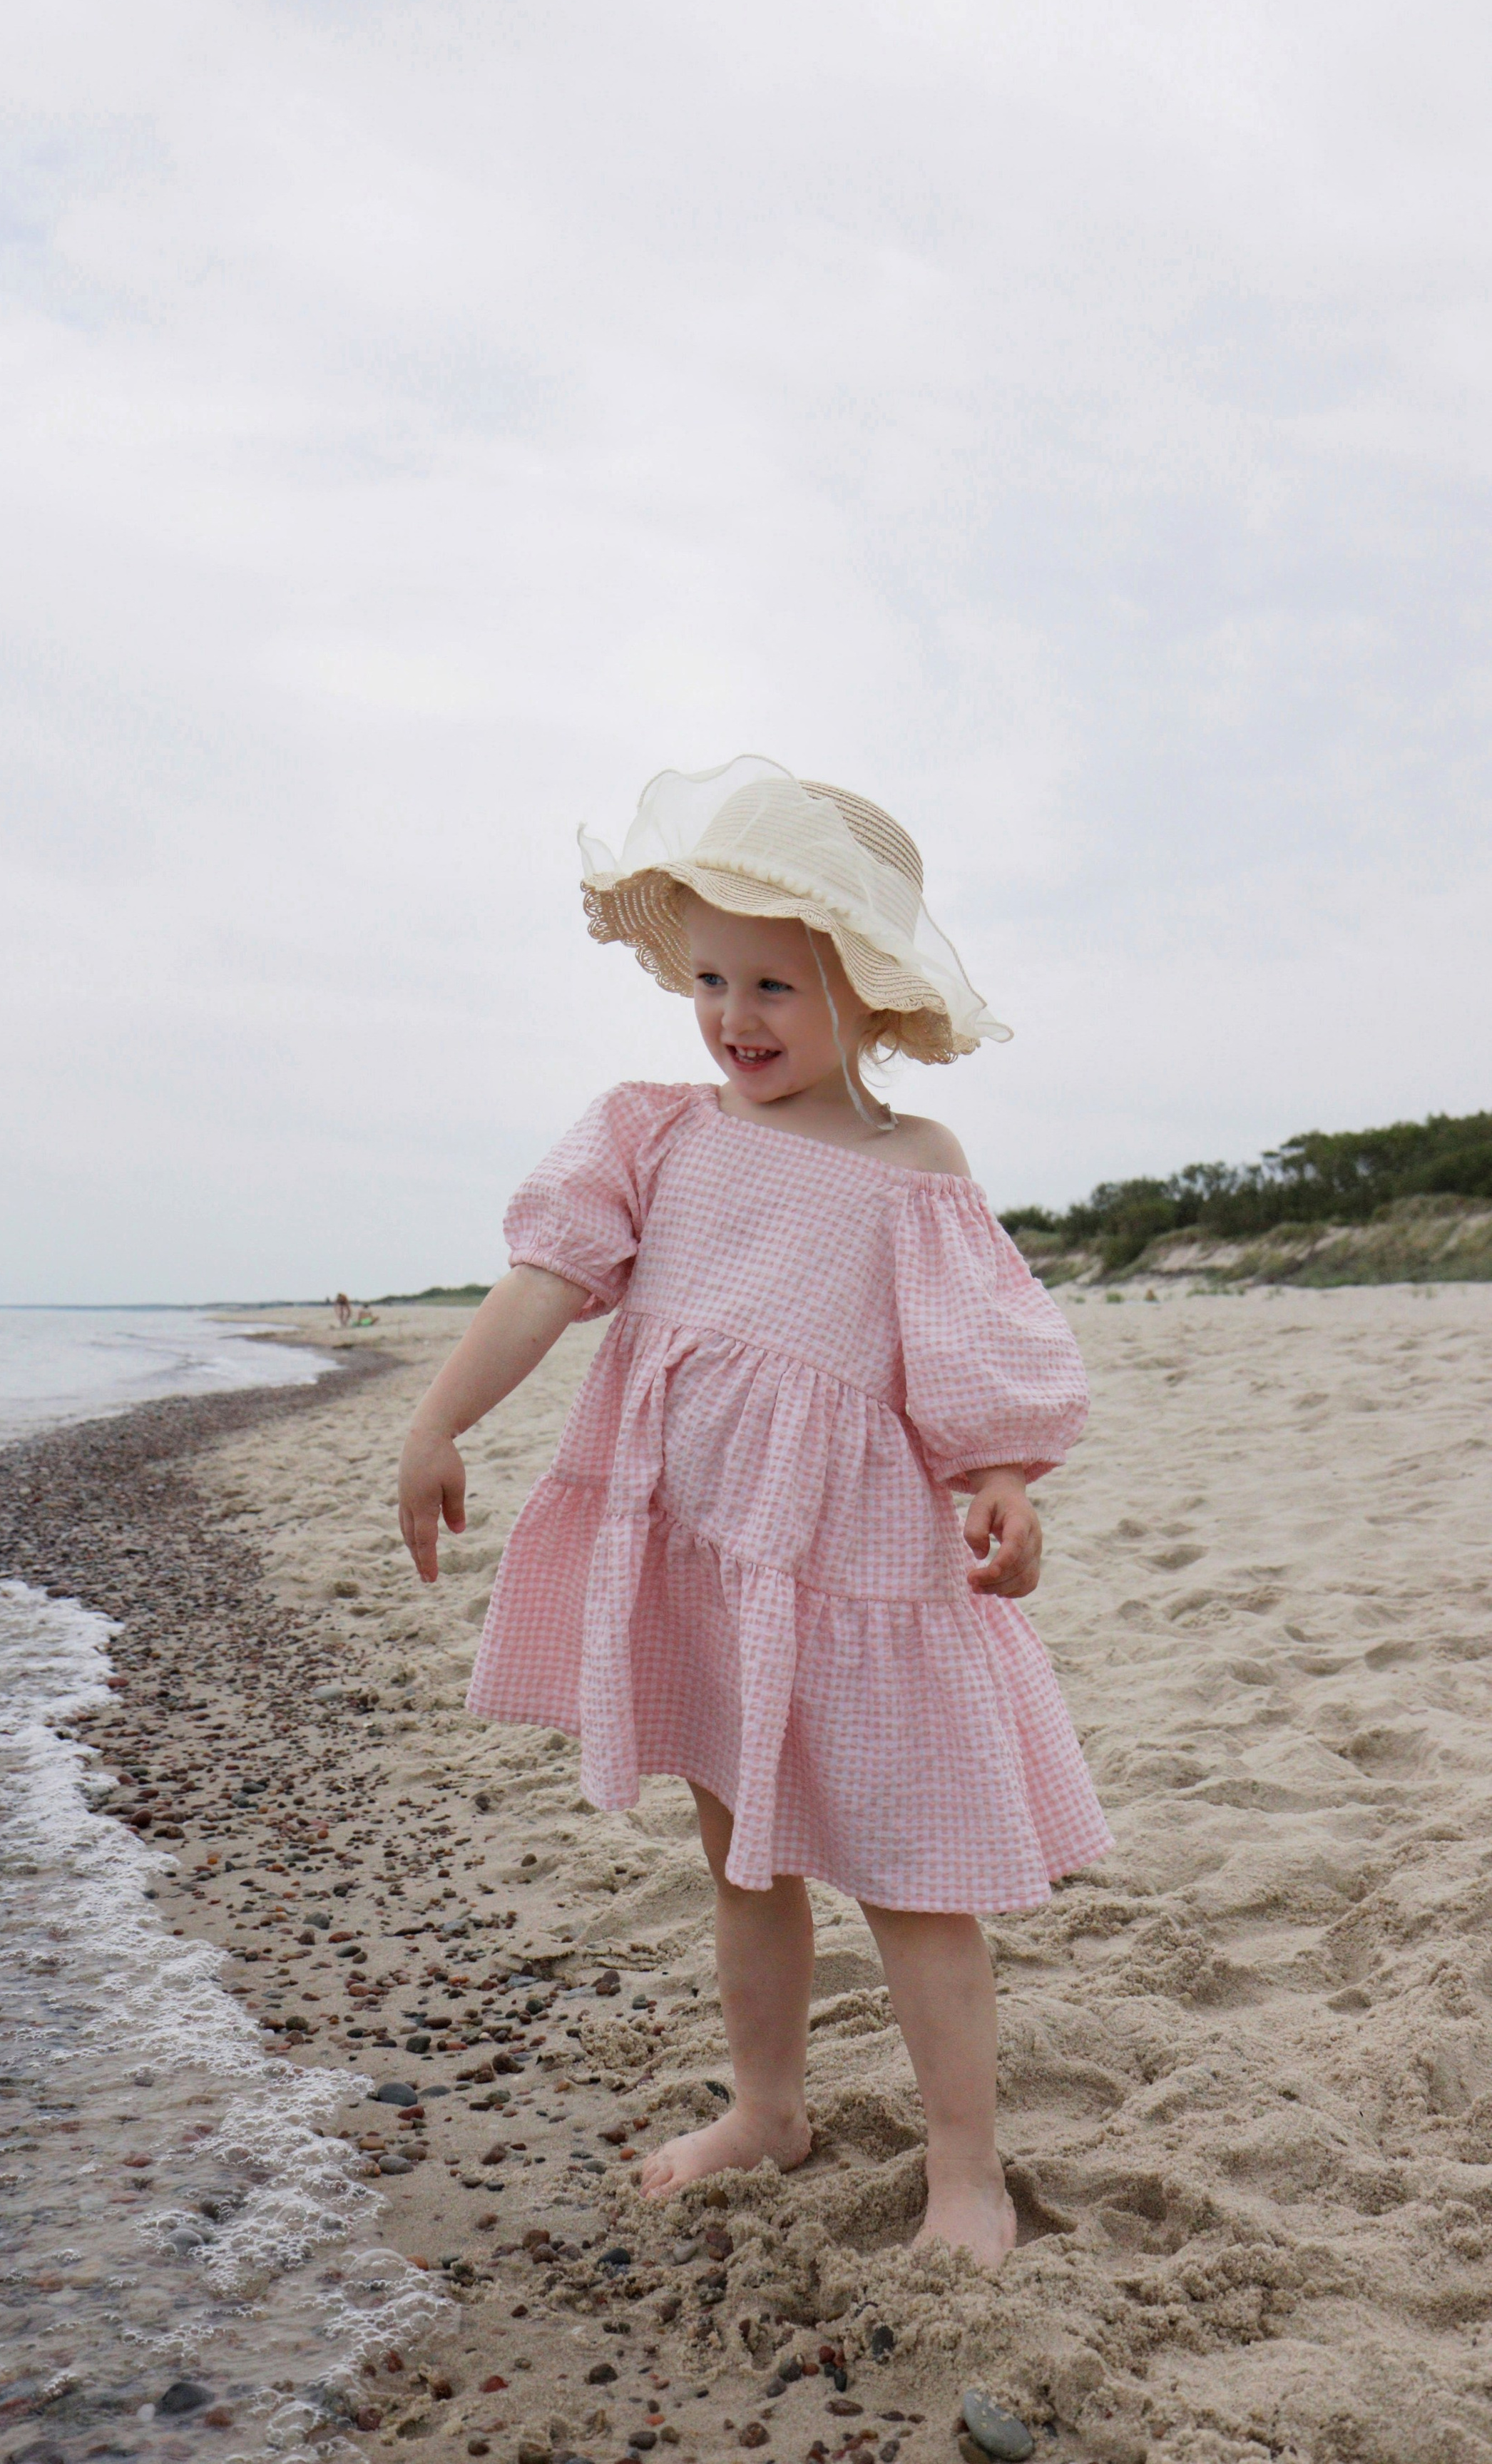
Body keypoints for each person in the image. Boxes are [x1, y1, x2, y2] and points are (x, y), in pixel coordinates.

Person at [396, 758, 1109, 2267]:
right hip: (701, 1558)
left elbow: (966, 1350)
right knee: (741, 1855)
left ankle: (962, 2171)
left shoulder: (910, 1171)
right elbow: (544, 1284)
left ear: (865, 989)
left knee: (911, 1876)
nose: (734, 1016)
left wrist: (995, 1483)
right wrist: (437, 1415)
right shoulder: (651, 1132)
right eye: (710, 977)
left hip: (850, 1572)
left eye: (776, 984)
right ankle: (767, 2108)